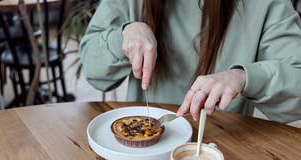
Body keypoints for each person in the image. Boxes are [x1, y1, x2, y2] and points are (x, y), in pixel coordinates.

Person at [79, 0, 301, 123]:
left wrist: (243, 77)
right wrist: (124, 34)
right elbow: (92, 68)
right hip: (142, 150)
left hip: (225, 153)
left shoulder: (267, 5)